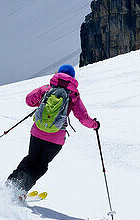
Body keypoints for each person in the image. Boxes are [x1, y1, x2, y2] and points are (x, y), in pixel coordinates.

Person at [7, 64, 99, 195]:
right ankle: (23, 189)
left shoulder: (47, 88)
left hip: (38, 131)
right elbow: (83, 118)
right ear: (72, 77)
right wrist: (95, 125)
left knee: (30, 160)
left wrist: (43, 103)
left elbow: (29, 100)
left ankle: (10, 185)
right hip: (56, 138)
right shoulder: (74, 95)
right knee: (41, 165)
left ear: (58, 74)